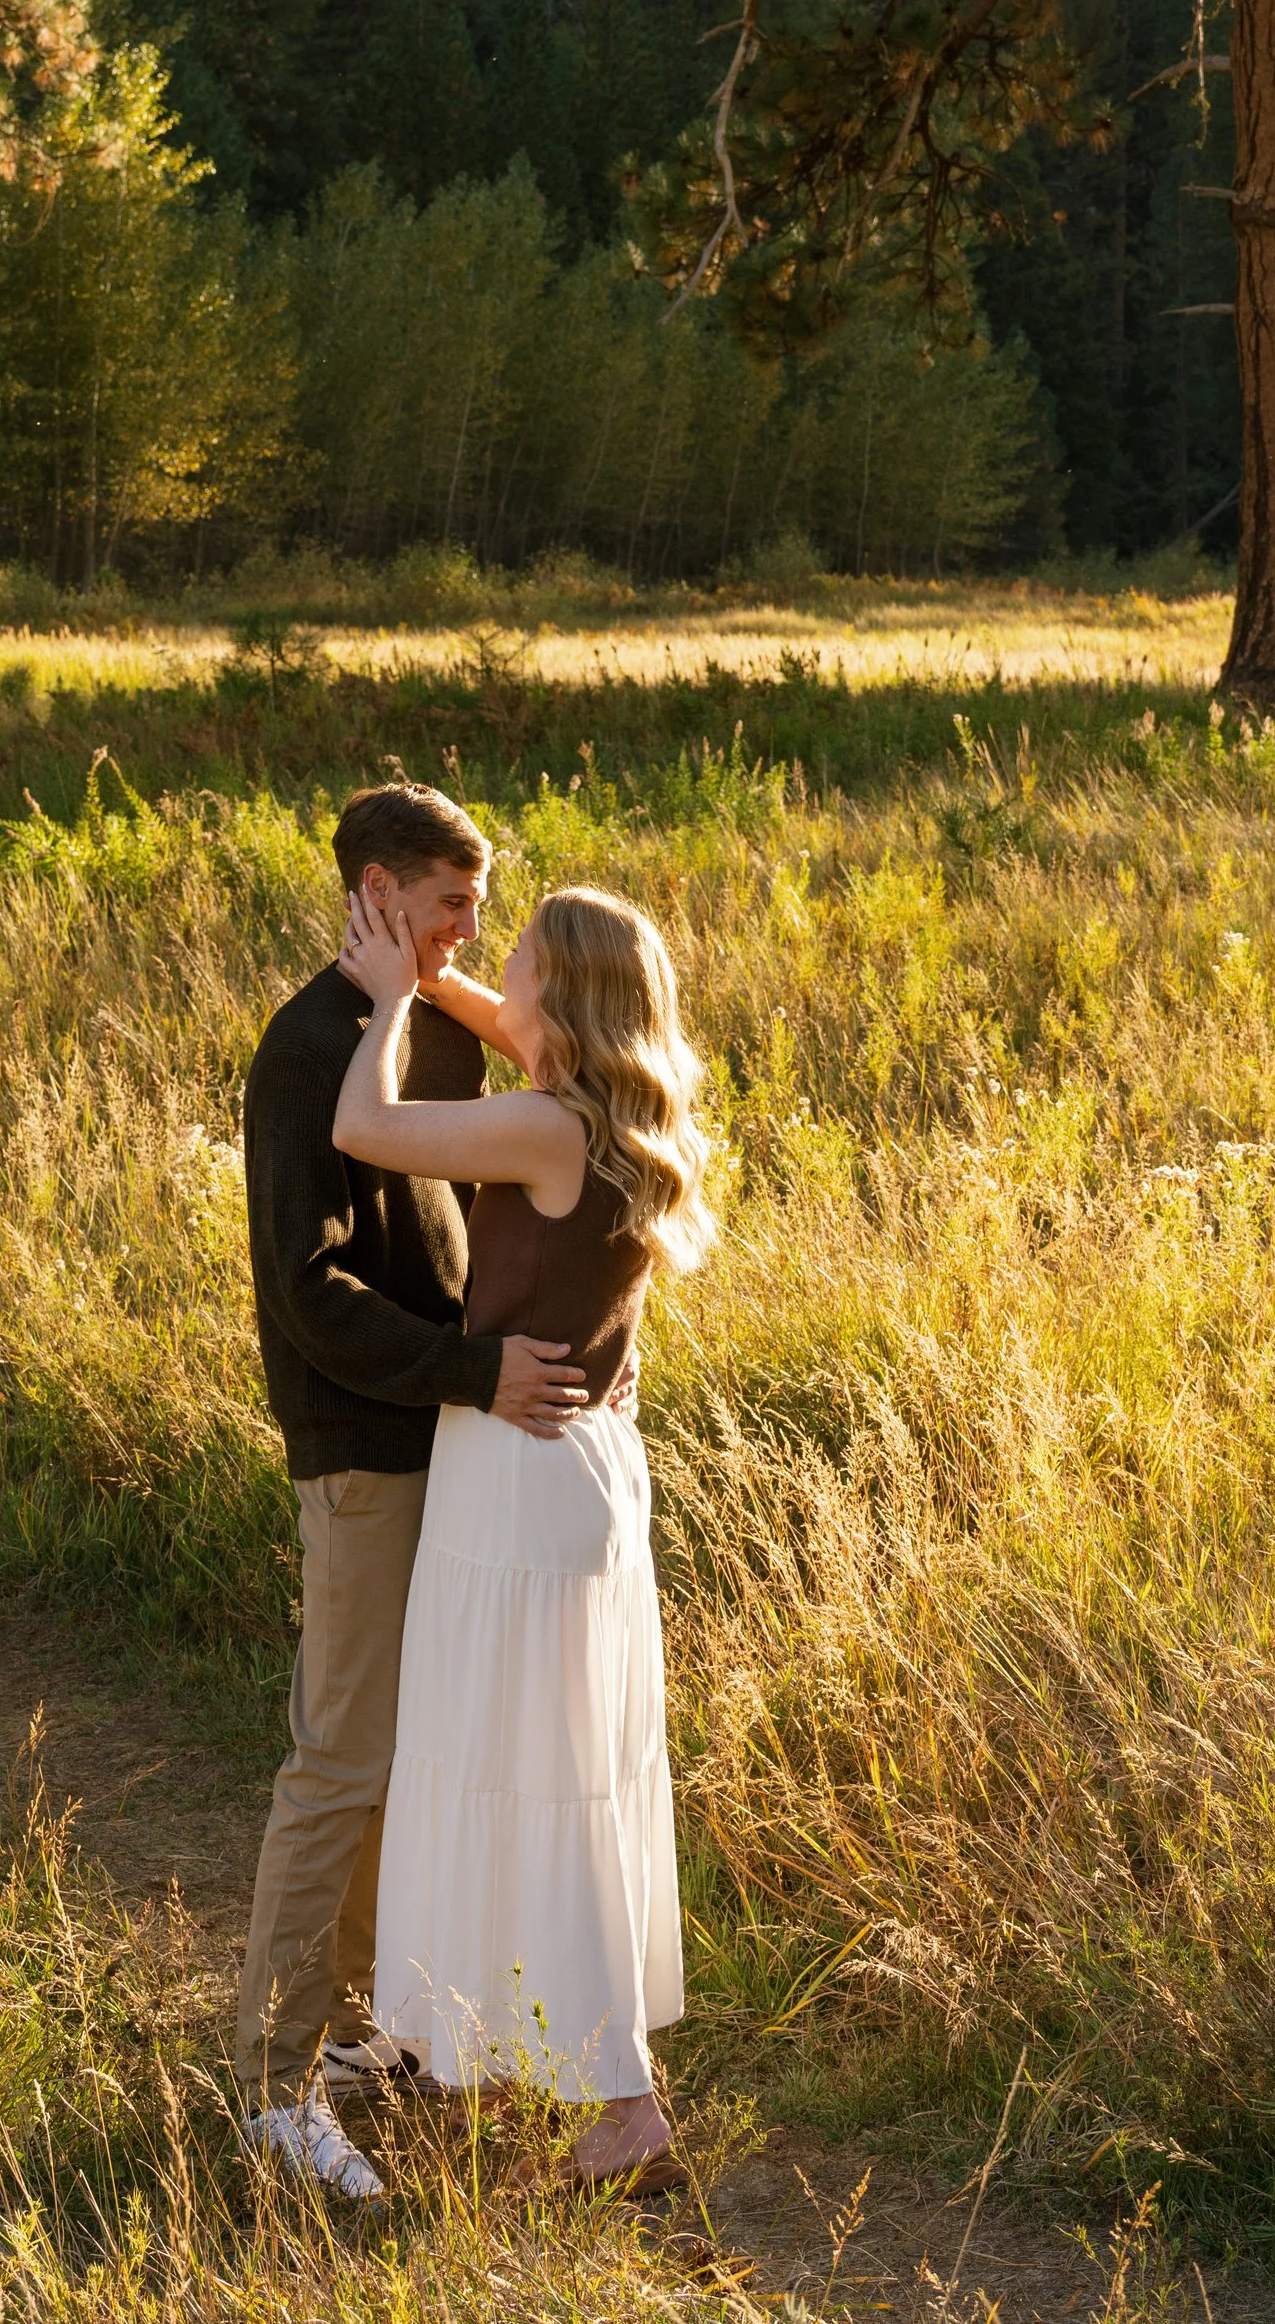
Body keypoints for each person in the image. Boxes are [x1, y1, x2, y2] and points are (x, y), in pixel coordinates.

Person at [236, 782, 592, 2204]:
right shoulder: (306, 1050)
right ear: (374, 892)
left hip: (450, 1435)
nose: (471, 928)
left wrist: (433, 979)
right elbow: (307, 1294)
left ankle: (362, 2029)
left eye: (481, 902)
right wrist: (472, 1367)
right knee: (338, 1756)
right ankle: (269, 2084)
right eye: (449, 902)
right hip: (365, 1446)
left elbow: (572, 1075)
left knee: (407, 1749)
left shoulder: (433, 1028)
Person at [332, 877, 715, 2194]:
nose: (502, 970)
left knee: (526, 1778)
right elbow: (507, 1026)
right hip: (587, 1463)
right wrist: (433, 968)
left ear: (571, 997)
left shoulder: (547, 1129)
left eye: (521, 959)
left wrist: (388, 999)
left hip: (518, 1472)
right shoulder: (624, 1112)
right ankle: (501, 2064)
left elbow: (367, 1127)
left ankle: (623, 2107)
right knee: (547, 1776)